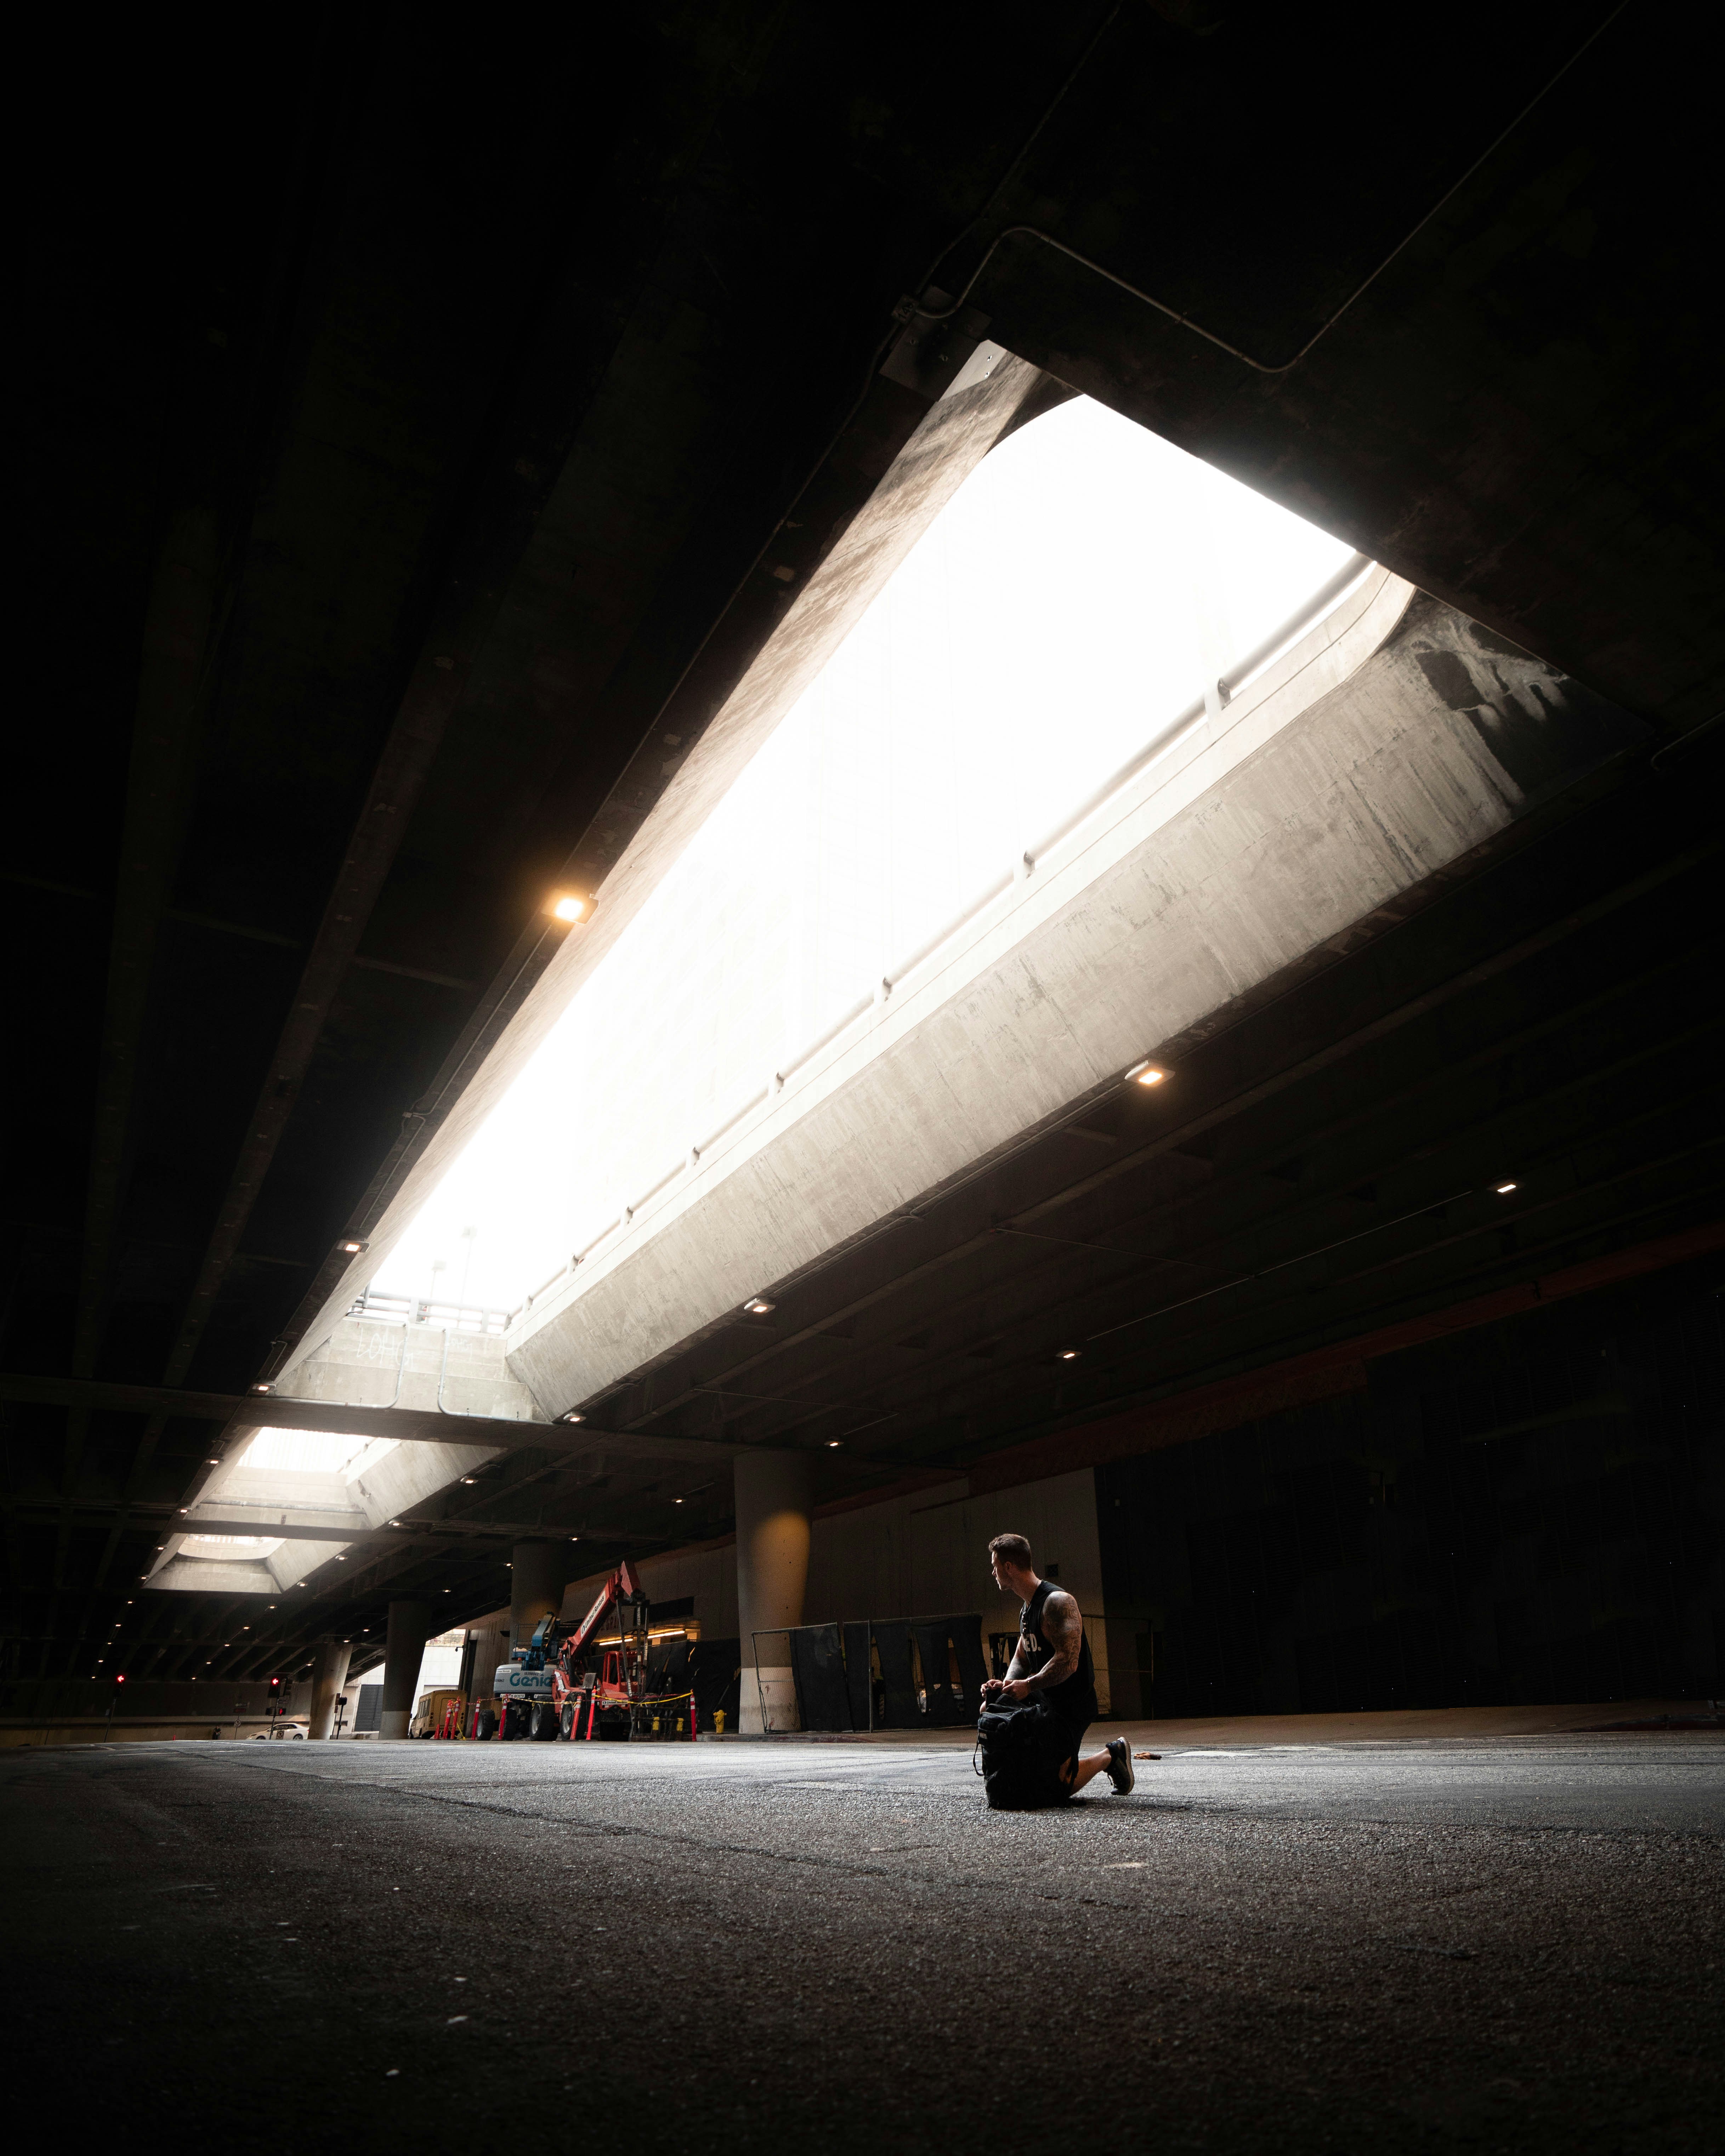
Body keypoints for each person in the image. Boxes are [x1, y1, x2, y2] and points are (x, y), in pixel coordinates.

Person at [980, 1532, 1133, 1802]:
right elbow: (1022, 1657)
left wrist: (1028, 1685)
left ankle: (1112, 1755)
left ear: (1009, 1567)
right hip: (1044, 1699)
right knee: (991, 1710)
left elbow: (1068, 1661)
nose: (993, 1572)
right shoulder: (1027, 1609)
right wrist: (1006, 1685)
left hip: (1071, 1704)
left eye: (995, 1566)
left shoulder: (1058, 1602)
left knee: (1057, 1786)